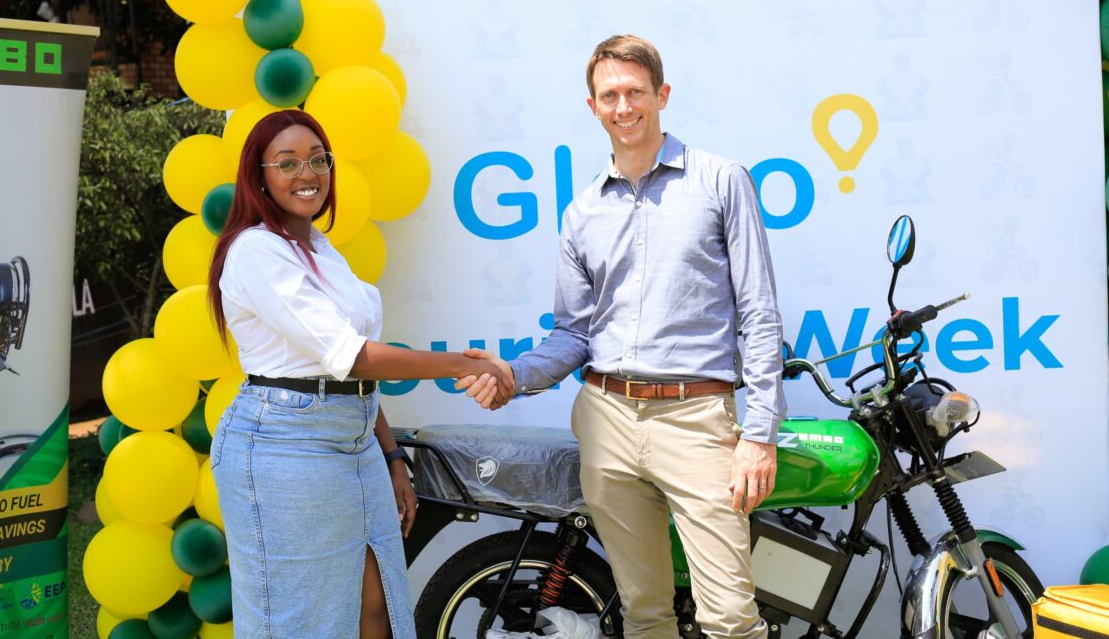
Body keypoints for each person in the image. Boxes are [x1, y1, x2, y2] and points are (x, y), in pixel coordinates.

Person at [461, 35, 786, 639]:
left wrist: (759, 435)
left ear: (661, 95)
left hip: (696, 421)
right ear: (592, 107)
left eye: (636, 92)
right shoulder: (583, 211)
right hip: (606, 419)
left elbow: (760, 316)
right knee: (643, 613)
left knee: (730, 620)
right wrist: (514, 375)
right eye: (609, 95)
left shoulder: (721, 181)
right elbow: (574, 334)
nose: (624, 106)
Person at [206, 109, 505, 639]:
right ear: (259, 177)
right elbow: (350, 356)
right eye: (289, 163)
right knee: (303, 621)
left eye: (318, 160)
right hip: (285, 447)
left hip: (355, 440)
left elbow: (348, 377)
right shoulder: (256, 251)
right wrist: (460, 363)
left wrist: (390, 455)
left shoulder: (319, 248)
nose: (308, 174)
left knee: (378, 607)